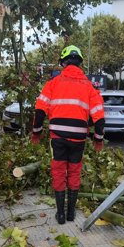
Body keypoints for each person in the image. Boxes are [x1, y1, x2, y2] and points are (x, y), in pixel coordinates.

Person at [31, 45, 105, 224]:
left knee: (58, 171)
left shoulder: (53, 83)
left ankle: (60, 214)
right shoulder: (89, 86)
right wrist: (98, 138)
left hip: (58, 136)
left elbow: (40, 111)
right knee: (74, 171)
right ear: (80, 63)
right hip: (79, 137)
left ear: (63, 63)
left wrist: (36, 132)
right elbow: (99, 115)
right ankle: (71, 213)